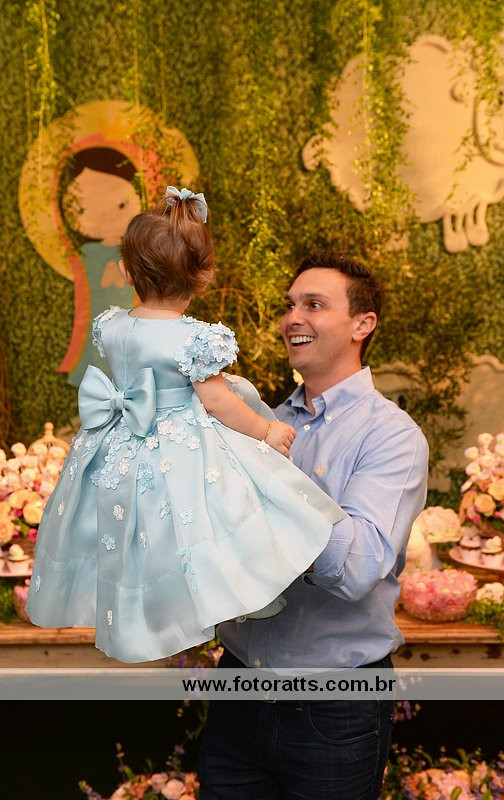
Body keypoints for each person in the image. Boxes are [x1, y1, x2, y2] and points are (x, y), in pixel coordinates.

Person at [25, 189, 345, 663]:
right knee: (215, 511)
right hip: (175, 447)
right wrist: (265, 431)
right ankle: (228, 592)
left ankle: (142, 613)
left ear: (127, 271)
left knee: (131, 532)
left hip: (117, 444)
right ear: (203, 275)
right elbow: (216, 402)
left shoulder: (109, 325)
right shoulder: (194, 337)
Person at [198, 253, 429, 800]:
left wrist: (271, 480)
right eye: (290, 305)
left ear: (362, 324)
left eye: (315, 305)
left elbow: (358, 569)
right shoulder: (264, 421)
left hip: (334, 707)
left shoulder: (391, 436)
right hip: (237, 686)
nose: (293, 318)